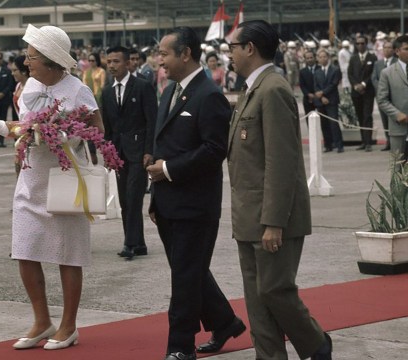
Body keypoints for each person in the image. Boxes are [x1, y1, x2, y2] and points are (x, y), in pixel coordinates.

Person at [0, 24, 104, 351]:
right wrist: (1, 127)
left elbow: (98, 131)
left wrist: (67, 135)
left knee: (68, 254)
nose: (26, 63)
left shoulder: (77, 90)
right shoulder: (30, 85)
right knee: (25, 250)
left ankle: (69, 325)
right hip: (31, 179)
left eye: (31, 57)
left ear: (51, 59)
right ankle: (42, 320)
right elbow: (25, 126)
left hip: (65, 178)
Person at [227, 20, 332, 360]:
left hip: (271, 217)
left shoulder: (273, 89)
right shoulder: (252, 89)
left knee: (274, 290)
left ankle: (316, 344)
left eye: (232, 46)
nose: (228, 53)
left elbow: (281, 162)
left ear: (250, 48)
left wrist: (274, 221)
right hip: (248, 214)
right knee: (257, 300)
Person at [146, 27, 246, 360]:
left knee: (186, 277)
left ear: (185, 54)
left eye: (164, 53)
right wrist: (154, 187)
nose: (160, 60)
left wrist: (169, 169)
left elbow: (214, 149)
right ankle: (225, 321)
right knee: (189, 270)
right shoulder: (169, 92)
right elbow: (163, 144)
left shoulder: (209, 95)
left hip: (194, 206)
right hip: (167, 201)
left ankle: (180, 347)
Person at [101, 46, 157, 260]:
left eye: (116, 61)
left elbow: (152, 121)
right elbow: (107, 126)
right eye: (109, 62)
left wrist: (149, 151)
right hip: (119, 154)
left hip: (138, 152)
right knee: (125, 199)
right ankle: (138, 243)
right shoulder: (107, 92)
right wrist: (108, 152)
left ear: (127, 63)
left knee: (134, 198)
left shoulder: (142, 87)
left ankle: (130, 243)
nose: (112, 66)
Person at [377, 34, 408, 156]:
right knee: (398, 168)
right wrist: (397, 114)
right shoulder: (387, 73)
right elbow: (382, 100)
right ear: (397, 51)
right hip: (398, 128)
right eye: (406, 49)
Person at [348, 36, 377, 152]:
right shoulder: (353, 58)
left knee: (367, 116)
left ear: (366, 44)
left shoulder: (372, 57)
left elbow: (373, 73)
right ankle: (363, 141)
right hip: (356, 92)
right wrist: (356, 85)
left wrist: (364, 84)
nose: (360, 45)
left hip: (368, 91)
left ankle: (368, 142)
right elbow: (350, 74)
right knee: (360, 116)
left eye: (362, 43)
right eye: (358, 43)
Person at [314, 48, 344, 153]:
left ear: (328, 57)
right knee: (324, 124)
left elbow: (333, 84)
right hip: (321, 101)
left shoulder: (335, 69)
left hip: (331, 100)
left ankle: (339, 144)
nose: (322, 59)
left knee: (334, 123)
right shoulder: (317, 71)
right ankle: (328, 145)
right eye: (320, 57)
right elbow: (316, 86)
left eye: (324, 56)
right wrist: (321, 97)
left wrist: (323, 93)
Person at [371, 40, 397, 152]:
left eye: (390, 47)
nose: (387, 49)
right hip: (382, 97)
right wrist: (382, 88)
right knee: (384, 120)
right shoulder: (378, 64)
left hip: (395, 97)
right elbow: (374, 78)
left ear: (394, 49)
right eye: (385, 47)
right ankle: (388, 142)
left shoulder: (397, 62)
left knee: (395, 121)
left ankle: (396, 143)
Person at [299, 51, 318, 116]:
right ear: (305, 59)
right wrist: (308, 94)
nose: (310, 60)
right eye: (307, 58)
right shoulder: (302, 72)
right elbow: (302, 85)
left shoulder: (320, 69)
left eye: (311, 57)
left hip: (320, 98)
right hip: (308, 99)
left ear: (315, 58)